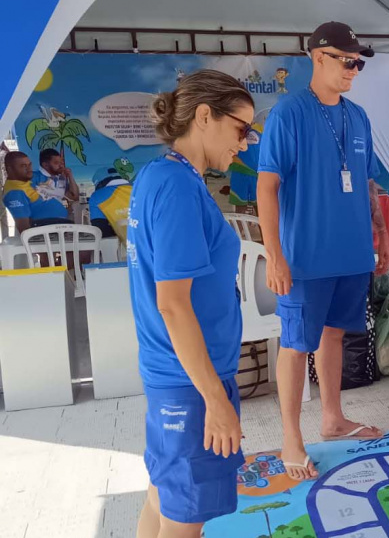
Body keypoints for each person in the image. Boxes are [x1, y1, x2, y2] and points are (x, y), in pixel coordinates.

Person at [257, 21, 389, 482]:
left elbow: (367, 180)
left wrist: (382, 233)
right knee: (296, 345)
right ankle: (292, 436)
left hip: (352, 253)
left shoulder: (358, 116)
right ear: (318, 57)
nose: (355, 69)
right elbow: (267, 186)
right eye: (347, 60)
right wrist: (274, 255)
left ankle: (333, 418)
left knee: (335, 335)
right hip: (305, 257)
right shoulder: (288, 114)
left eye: (359, 62)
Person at [129, 69, 254, 538]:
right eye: (241, 129)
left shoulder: (160, 175)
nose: (244, 143)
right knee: (183, 523)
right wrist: (215, 399)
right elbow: (173, 305)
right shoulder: (178, 186)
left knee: (163, 497)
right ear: (205, 116)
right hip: (190, 383)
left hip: (175, 375)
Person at [2, 151, 71, 233]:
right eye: (23, 166)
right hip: (47, 234)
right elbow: (24, 228)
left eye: (29, 165)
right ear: (10, 169)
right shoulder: (15, 192)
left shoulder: (23, 182)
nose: (29, 169)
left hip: (57, 228)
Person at [88, 166, 131, 241]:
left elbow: (100, 230)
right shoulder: (140, 189)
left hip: (115, 249)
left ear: (99, 184)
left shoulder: (97, 196)